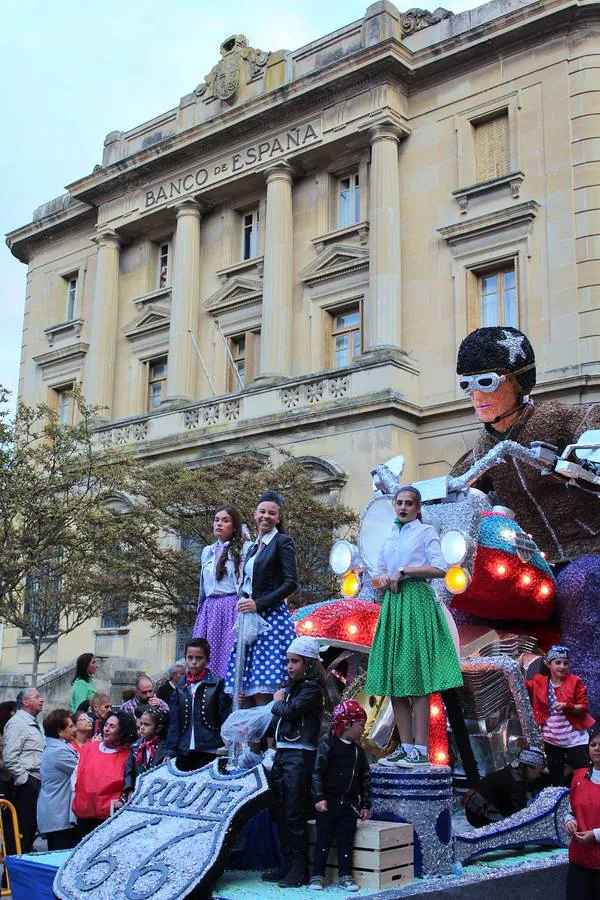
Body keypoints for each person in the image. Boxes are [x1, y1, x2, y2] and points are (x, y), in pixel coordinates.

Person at [365, 486, 463, 767]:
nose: (403, 508)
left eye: (409, 504)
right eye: (399, 503)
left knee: (416, 679)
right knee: (396, 680)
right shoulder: (389, 537)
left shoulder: (425, 532)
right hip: (394, 605)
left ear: (418, 508)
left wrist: (405, 571)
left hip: (416, 601)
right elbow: (377, 576)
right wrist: (383, 579)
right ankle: (406, 747)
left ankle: (421, 748)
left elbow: (441, 568)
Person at [262, 636, 325, 889]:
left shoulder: (311, 688)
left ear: (309, 663)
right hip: (285, 753)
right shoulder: (294, 688)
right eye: (288, 661)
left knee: (293, 811)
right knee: (280, 810)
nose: (289, 666)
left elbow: (289, 711)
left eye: (295, 661)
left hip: (299, 756)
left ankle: (300, 868)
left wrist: (278, 702)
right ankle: (288, 863)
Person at [225, 490, 298, 707]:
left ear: (279, 517)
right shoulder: (254, 546)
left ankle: (268, 737)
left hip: (271, 618)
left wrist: (259, 603)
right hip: (250, 618)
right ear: (254, 514)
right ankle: (250, 739)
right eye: (262, 512)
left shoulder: (282, 542)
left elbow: (291, 582)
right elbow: (248, 581)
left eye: (272, 513)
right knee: (246, 684)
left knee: (265, 682)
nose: (266, 516)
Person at [310, 700, 371, 893]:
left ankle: (345, 875)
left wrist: (365, 804)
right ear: (347, 724)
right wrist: (319, 797)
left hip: (349, 805)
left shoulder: (358, 752)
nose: (363, 728)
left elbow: (365, 778)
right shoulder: (327, 746)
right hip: (327, 804)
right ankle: (317, 874)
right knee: (323, 839)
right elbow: (317, 773)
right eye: (360, 724)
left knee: (346, 840)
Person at [193, 505, 252, 679]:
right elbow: (204, 587)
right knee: (205, 655)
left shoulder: (244, 548)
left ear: (234, 526)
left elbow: (246, 581)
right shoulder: (207, 551)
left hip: (231, 607)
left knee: (228, 655)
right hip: (210, 609)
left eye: (225, 520)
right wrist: (201, 611)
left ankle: (228, 697)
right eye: (216, 520)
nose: (219, 524)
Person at [526, 645, 595, 786]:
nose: (562, 666)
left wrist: (567, 706)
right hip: (552, 739)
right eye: (558, 662)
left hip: (574, 739)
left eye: (565, 663)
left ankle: (584, 799)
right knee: (555, 777)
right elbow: (523, 686)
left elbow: (583, 708)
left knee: (584, 774)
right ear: (549, 664)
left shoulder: (575, 681)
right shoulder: (540, 682)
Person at [166, 638, 230, 771]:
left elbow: (224, 717)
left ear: (207, 659)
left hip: (210, 748)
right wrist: (170, 750)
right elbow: (174, 722)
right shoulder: (180, 688)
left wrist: (228, 745)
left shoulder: (217, 684)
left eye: (199, 658)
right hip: (184, 748)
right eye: (190, 658)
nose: (194, 662)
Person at [72, 711, 137, 839]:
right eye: (106, 725)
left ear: (122, 730)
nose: (106, 729)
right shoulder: (88, 749)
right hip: (84, 812)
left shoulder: (129, 754)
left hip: (109, 816)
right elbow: (77, 778)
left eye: (112, 726)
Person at [2, 687, 45, 853]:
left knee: (28, 833)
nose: (41, 700)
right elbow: (10, 756)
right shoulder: (17, 723)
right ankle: (10, 878)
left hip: (35, 782)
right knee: (20, 834)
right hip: (26, 784)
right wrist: (24, 779)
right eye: (37, 697)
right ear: (26, 702)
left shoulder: (34, 722)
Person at [461, 747, 546, 827]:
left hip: (472, 807)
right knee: (508, 829)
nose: (539, 775)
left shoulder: (509, 772)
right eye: (538, 772)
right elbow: (517, 815)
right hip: (480, 811)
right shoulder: (517, 784)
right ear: (529, 767)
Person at [564, 725, 600, 899]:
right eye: (593, 745)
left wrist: (595, 834)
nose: (597, 749)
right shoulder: (579, 776)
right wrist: (570, 822)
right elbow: (572, 810)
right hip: (581, 859)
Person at [37, 709, 78, 850]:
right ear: (60, 731)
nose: (75, 729)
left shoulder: (57, 747)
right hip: (59, 816)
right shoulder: (58, 751)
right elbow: (82, 768)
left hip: (57, 814)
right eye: (71, 726)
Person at [122, 706, 169, 799]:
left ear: (158, 728)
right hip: (137, 793)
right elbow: (129, 772)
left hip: (158, 794)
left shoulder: (166, 748)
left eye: (146, 725)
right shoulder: (135, 747)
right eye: (141, 724)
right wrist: (130, 790)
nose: (142, 728)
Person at [0, 701, 17, 797]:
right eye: (14, 711)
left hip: (13, 778)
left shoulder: (11, 731)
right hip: (3, 778)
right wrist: (7, 764)